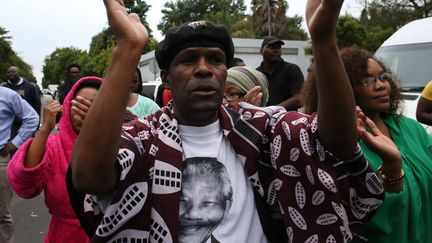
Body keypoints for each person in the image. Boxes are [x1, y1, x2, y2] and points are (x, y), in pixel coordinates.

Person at [68, 0, 385, 242]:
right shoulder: (141, 137)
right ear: (165, 78)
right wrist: (128, 48)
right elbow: (89, 177)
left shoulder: (264, 129)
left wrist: (323, 38)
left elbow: (340, 143)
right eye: (189, 59)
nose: (204, 69)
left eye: (216, 60)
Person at [302, 47, 432, 243]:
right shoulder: (336, 143)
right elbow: (354, 213)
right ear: (341, 89)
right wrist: (392, 170)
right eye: (367, 80)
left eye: (383, 77)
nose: (381, 86)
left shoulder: (411, 129)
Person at [6, 77, 103, 243]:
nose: (83, 110)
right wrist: (45, 128)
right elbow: (25, 186)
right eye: (79, 103)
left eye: (93, 104)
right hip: (63, 236)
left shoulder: (120, 142)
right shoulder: (54, 145)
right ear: (66, 106)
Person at [0, 86, 39, 242]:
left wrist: (16, 142)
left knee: (1, 214)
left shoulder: (7, 95)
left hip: (0, 159)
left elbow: (32, 118)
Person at [256, 37, 303, 110]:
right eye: (271, 47)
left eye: (278, 48)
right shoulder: (256, 74)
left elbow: (299, 98)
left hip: (288, 119)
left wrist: (272, 110)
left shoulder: (292, 69)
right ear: (261, 51)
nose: (276, 50)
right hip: (263, 119)